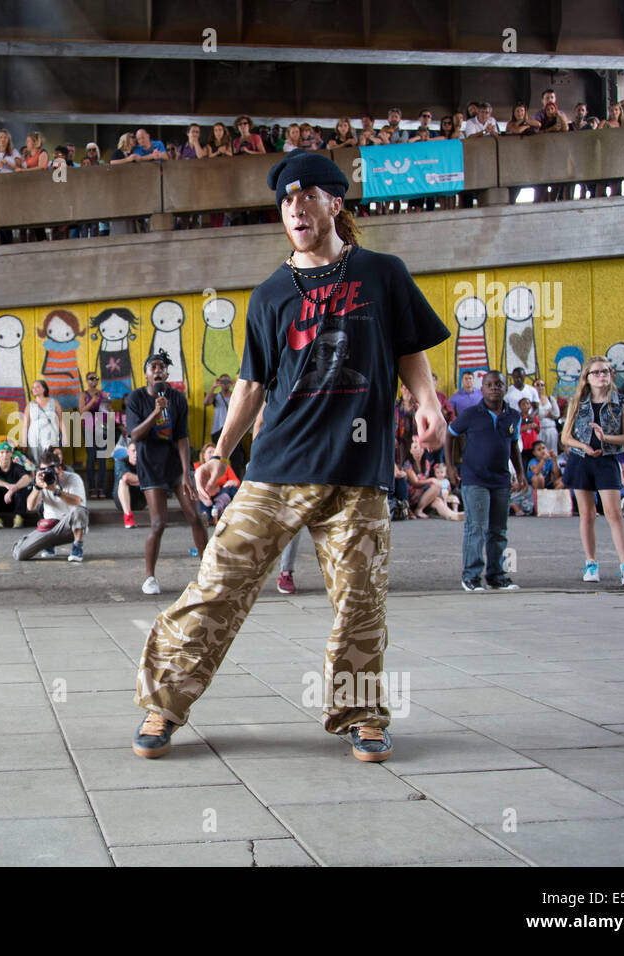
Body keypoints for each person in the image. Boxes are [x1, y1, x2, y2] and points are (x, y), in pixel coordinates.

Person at [132, 150, 450, 763]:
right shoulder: (271, 295)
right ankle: (164, 704)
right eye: (285, 199)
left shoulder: (383, 274)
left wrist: (428, 404)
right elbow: (251, 386)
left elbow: (410, 348)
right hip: (277, 468)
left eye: (307, 194)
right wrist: (220, 452)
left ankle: (363, 716)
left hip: (357, 474)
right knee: (217, 584)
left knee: (361, 598)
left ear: (335, 203)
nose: (295, 206)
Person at [124, 351, 207, 595]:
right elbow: (135, 434)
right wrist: (156, 412)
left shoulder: (177, 399)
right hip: (150, 465)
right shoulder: (136, 399)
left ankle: (208, 572)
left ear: (167, 373)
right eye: (153, 367)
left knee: (195, 515)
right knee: (159, 523)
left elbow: (182, 437)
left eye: (162, 367)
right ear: (146, 374)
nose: (158, 370)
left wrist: (187, 472)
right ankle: (149, 578)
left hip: (174, 464)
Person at [561, 356, 624, 585]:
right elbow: (566, 436)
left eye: (605, 371)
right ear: (586, 378)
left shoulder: (622, 402)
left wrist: (606, 438)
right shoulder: (577, 401)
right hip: (581, 460)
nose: (601, 376)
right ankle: (591, 563)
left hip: (607, 460)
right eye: (595, 372)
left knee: (614, 514)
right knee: (587, 514)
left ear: (611, 375)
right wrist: (583, 445)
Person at [444, 370, 524, 591]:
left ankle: (496, 576)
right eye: (489, 384)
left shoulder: (513, 416)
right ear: (482, 389)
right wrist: (450, 466)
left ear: (505, 388)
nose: (494, 388)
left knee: (498, 530)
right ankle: (471, 576)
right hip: (474, 479)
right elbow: (450, 434)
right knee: (476, 527)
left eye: (499, 384)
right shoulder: (471, 414)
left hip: (501, 480)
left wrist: (521, 472)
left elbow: (514, 446)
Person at [11, 449, 88, 562]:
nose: (47, 472)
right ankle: (47, 544)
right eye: (43, 470)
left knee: (79, 511)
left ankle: (77, 547)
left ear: (59, 468)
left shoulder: (72, 478)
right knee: (20, 554)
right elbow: (30, 506)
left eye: (50, 469)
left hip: (69, 527)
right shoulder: (41, 482)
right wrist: (37, 487)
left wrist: (56, 491)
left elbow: (77, 502)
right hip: (49, 527)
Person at [205, 373, 248, 479]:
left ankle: (235, 480)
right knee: (218, 456)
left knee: (235, 457)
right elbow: (206, 402)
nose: (225, 384)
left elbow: (245, 402)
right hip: (218, 429)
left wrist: (237, 387)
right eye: (222, 382)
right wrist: (213, 387)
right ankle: (220, 480)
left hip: (233, 429)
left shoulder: (235, 395)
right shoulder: (216, 396)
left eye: (227, 382)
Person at [79, 373, 112, 497]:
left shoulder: (102, 393)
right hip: (88, 427)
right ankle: (92, 488)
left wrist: (108, 404)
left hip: (101, 427)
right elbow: (81, 411)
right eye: (91, 378)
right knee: (91, 458)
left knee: (102, 458)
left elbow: (107, 409)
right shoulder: (84, 395)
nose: (94, 380)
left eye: (96, 378)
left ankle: (101, 489)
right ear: (87, 380)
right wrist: (93, 401)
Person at [0, 441, 31, 529]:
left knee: (22, 487)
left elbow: (27, 479)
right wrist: (7, 485)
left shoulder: (17, 467)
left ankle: (19, 518)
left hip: (14, 503)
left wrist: (13, 489)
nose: (5, 455)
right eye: (2, 452)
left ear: (11, 454)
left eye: (7, 452)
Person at [194, 442, 240, 523]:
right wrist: (204, 499)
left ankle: (222, 510)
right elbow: (193, 487)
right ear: (203, 455)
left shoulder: (224, 466)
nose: (212, 454)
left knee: (231, 489)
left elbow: (236, 481)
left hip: (221, 493)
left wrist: (232, 482)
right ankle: (213, 514)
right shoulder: (197, 467)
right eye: (209, 452)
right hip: (204, 496)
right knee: (207, 518)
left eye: (214, 452)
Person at [22, 379, 61, 464]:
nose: (34, 389)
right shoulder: (30, 405)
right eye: (33, 387)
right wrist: (24, 442)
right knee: (35, 461)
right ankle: (37, 477)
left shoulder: (54, 402)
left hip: (50, 436)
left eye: (37, 386)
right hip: (34, 437)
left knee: (50, 459)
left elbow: (61, 421)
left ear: (44, 389)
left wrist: (64, 437)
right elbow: (25, 425)